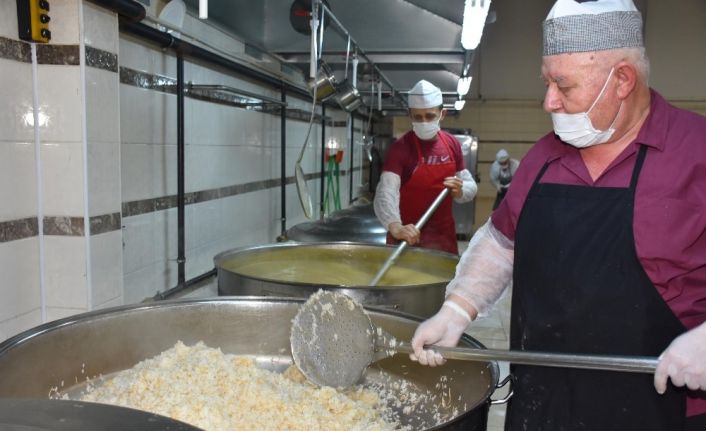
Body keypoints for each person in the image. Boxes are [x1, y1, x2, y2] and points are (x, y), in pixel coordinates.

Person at [409, 0, 706, 430]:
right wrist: (457, 309)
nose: (549, 101)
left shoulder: (695, 152)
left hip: (665, 408)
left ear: (622, 80)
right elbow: (501, 243)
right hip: (545, 401)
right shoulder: (543, 159)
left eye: (564, 87)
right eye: (547, 82)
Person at [374, 79, 477, 255]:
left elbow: (470, 184)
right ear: (410, 115)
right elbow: (386, 192)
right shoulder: (401, 148)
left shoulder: (452, 144)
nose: (423, 122)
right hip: (407, 236)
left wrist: (460, 190)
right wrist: (396, 226)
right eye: (417, 117)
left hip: (442, 237)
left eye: (429, 116)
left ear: (442, 114)